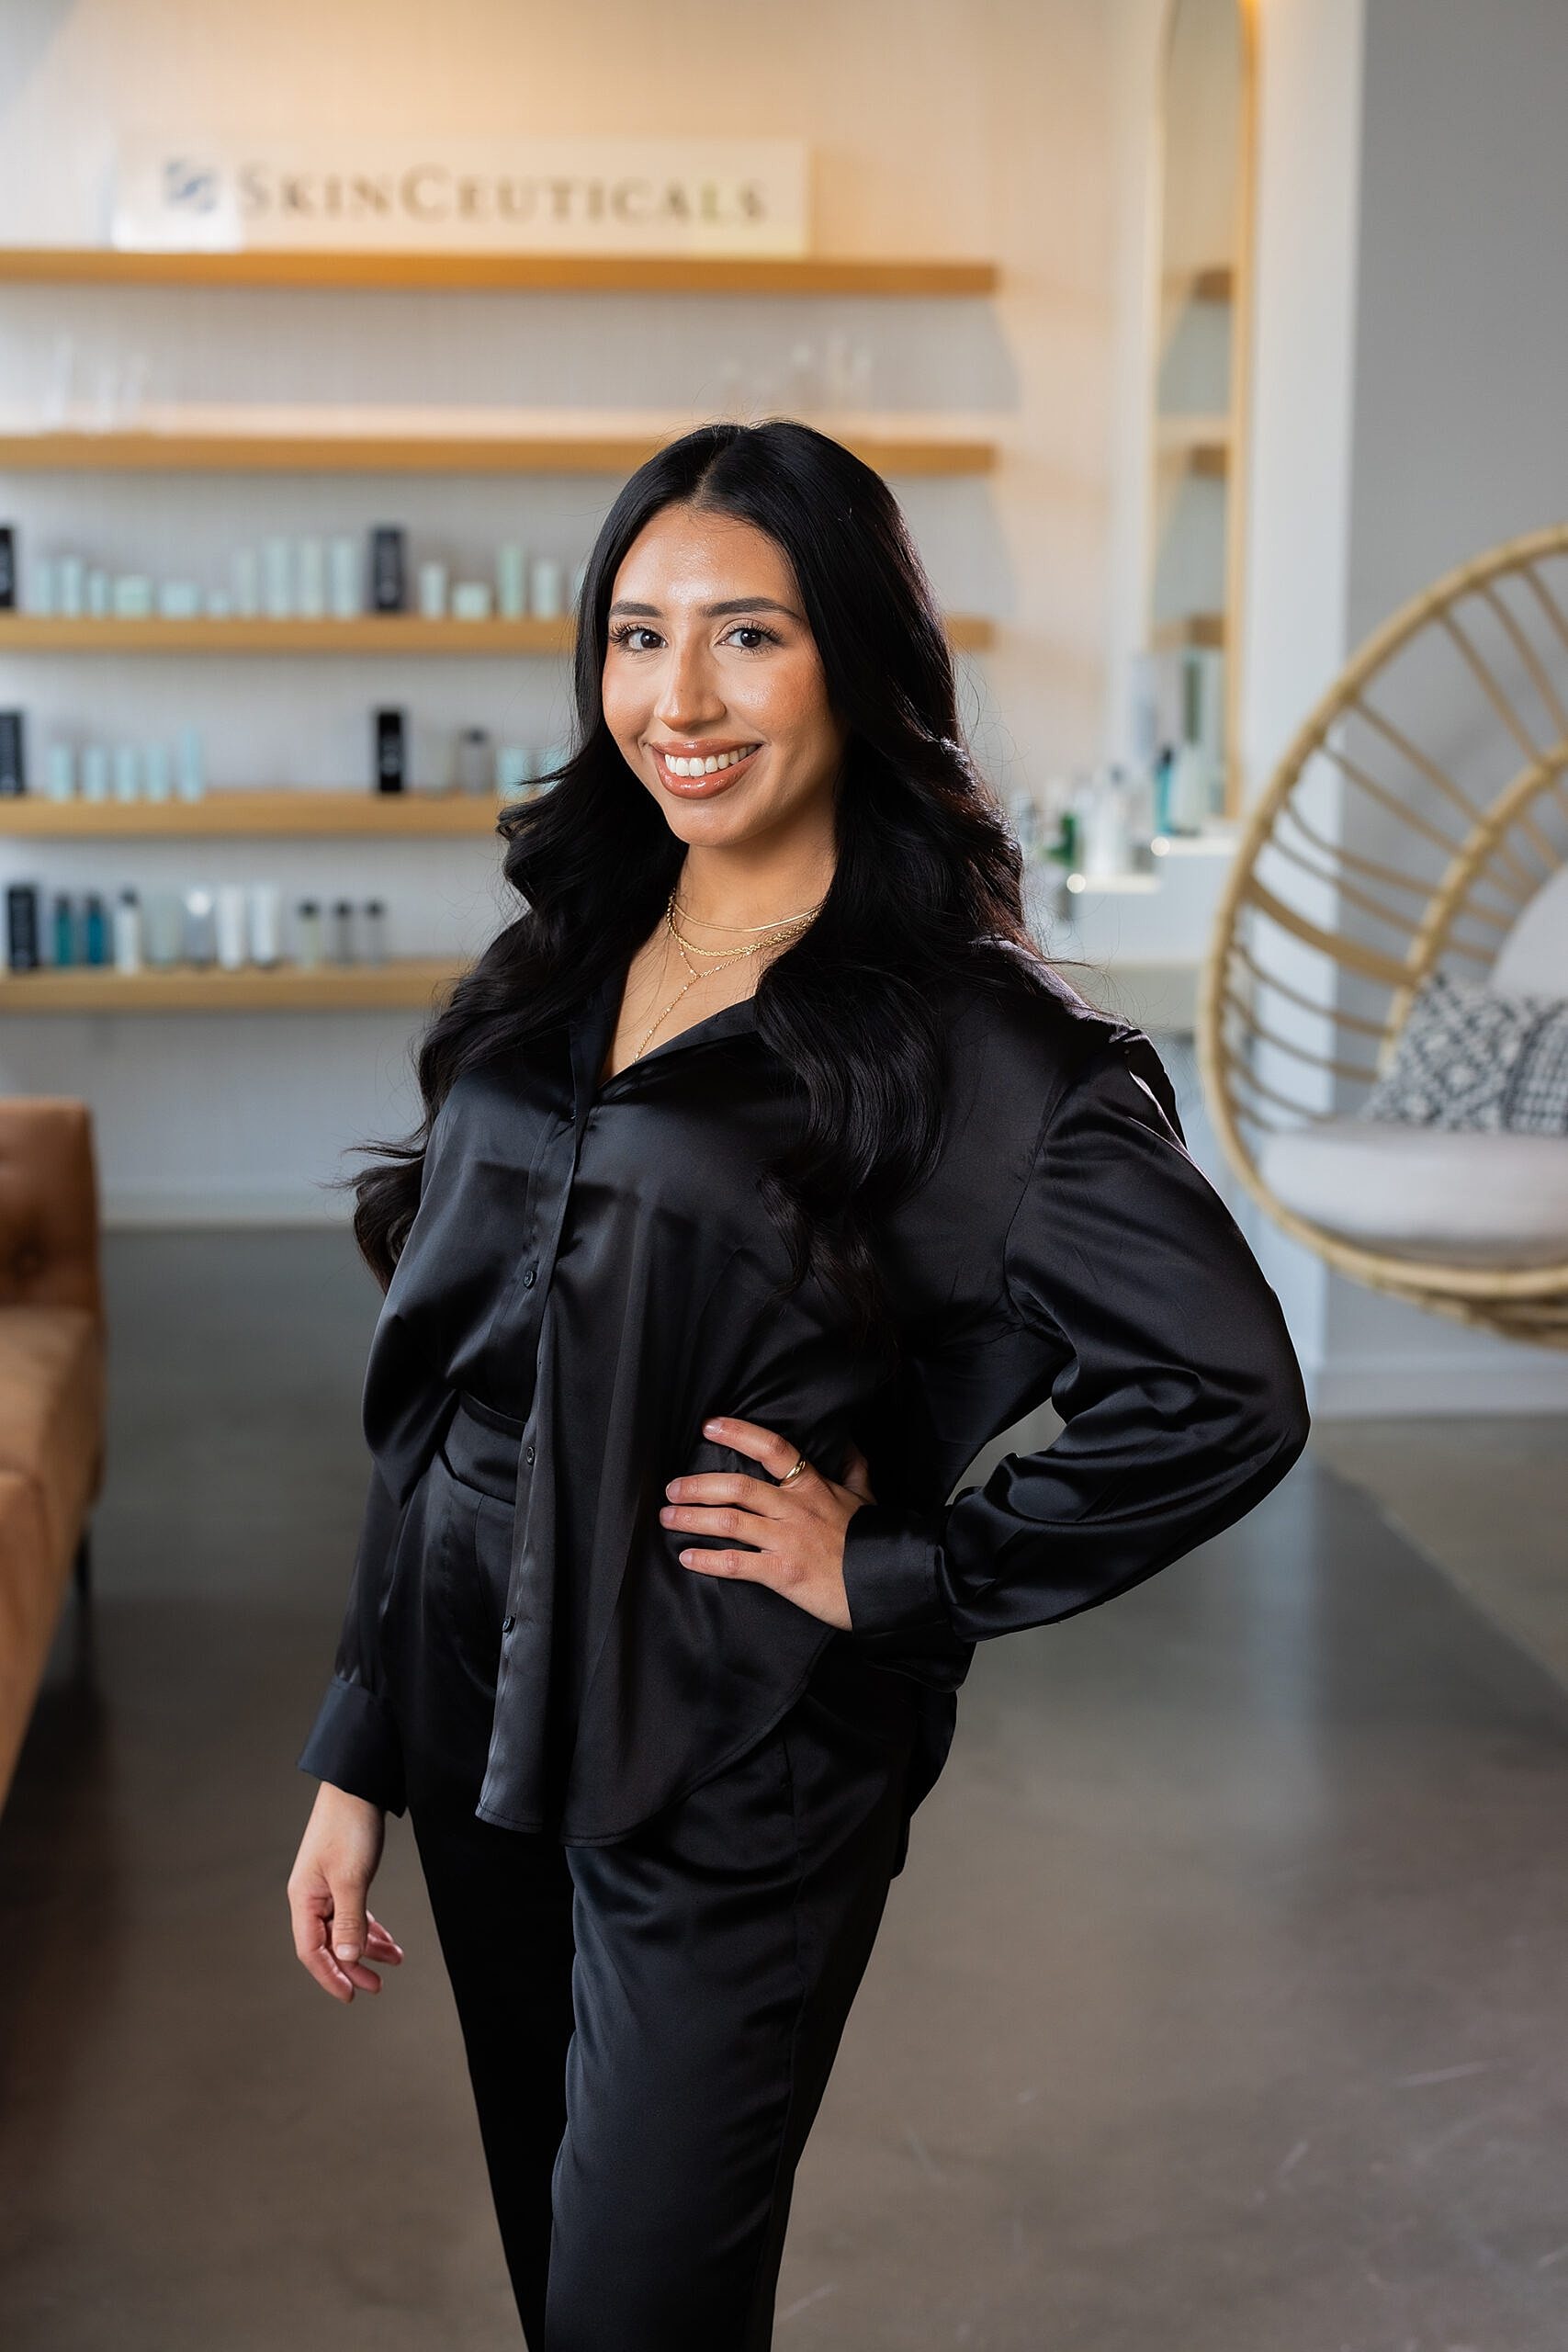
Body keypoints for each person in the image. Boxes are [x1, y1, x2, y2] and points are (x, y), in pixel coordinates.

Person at [286, 418, 1310, 2349]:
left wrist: (898, 1570)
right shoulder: (568, 952)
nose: (677, 696)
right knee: (556, 2279)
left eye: (744, 634)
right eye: (634, 633)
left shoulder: (974, 1043)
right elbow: (447, 1375)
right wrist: (358, 1744)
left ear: (853, 657)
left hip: (732, 1749)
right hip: (470, 1706)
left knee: (634, 2309)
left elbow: (1222, 1385)